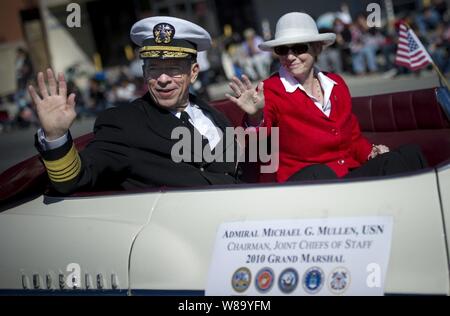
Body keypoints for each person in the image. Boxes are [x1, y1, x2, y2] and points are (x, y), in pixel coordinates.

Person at [28, 16, 241, 194]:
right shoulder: (123, 124)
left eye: (174, 68)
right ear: (144, 71)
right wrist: (56, 137)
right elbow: (74, 179)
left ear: (193, 72)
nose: (163, 79)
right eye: (154, 68)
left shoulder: (209, 112)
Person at [226, 12, 427, 182]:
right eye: (282, 50)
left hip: (346, 176)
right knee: (319, 172)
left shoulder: (336, 84)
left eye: (298, 48)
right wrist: (255, 116)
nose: (289, 56)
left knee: (410, 154)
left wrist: (370, 152)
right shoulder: (270, 89)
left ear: (317, 48)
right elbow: (255, 144)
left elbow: (353, 139)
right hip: (308, 184)